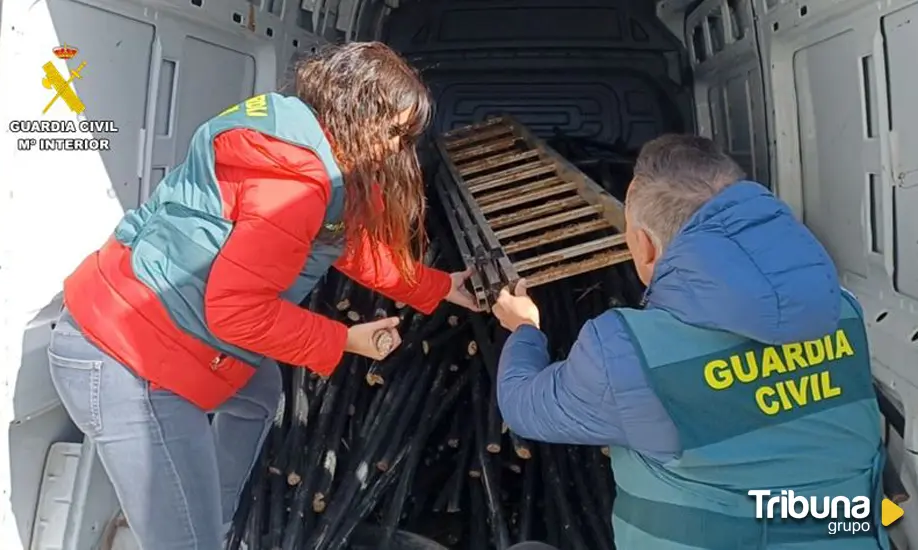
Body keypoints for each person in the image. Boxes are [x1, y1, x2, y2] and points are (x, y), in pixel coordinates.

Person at [47, 42, 479, 550]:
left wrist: (438, 286)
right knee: (187, 543)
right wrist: (343, 341)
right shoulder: (293, 179)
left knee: (258, 387)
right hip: (129, 361)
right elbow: (237, 314)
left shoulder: (303, 135)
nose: (395, 149)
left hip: (149, 325)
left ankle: (212, 519)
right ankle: (198, 529)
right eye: (393, 131)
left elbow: (341, 242)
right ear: (358, 110)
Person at [490, 135, 889, 549]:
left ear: (645, 247)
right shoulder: (843, 311)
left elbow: (524, 406)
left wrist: (525, 330)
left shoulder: (627, 353)